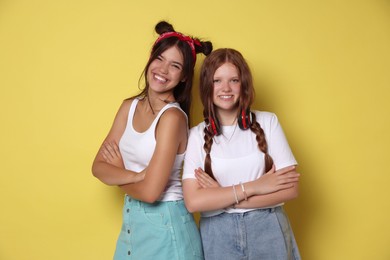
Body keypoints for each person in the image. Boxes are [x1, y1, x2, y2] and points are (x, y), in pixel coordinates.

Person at [92, 21, 212, 260]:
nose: (163, 70)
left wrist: (117, 173)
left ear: (185, 76)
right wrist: (135, 175)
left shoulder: (173, 118)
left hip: (167, 226)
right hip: (133, 223)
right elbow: (97, 167)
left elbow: (150, 193)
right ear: (150, 59)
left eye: (175, 65)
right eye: (160, 59)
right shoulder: (129, 107)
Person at [182, 48, 301, 260]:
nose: (225, 88)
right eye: (217, 80)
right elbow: (193, 202)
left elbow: (290, 189)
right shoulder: (196, 135)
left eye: (234, 80)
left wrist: (224, 197)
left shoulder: (268, 122)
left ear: (243, 84)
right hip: (218, 234)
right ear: (207, 86)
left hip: (268, 228)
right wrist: (256, 186)